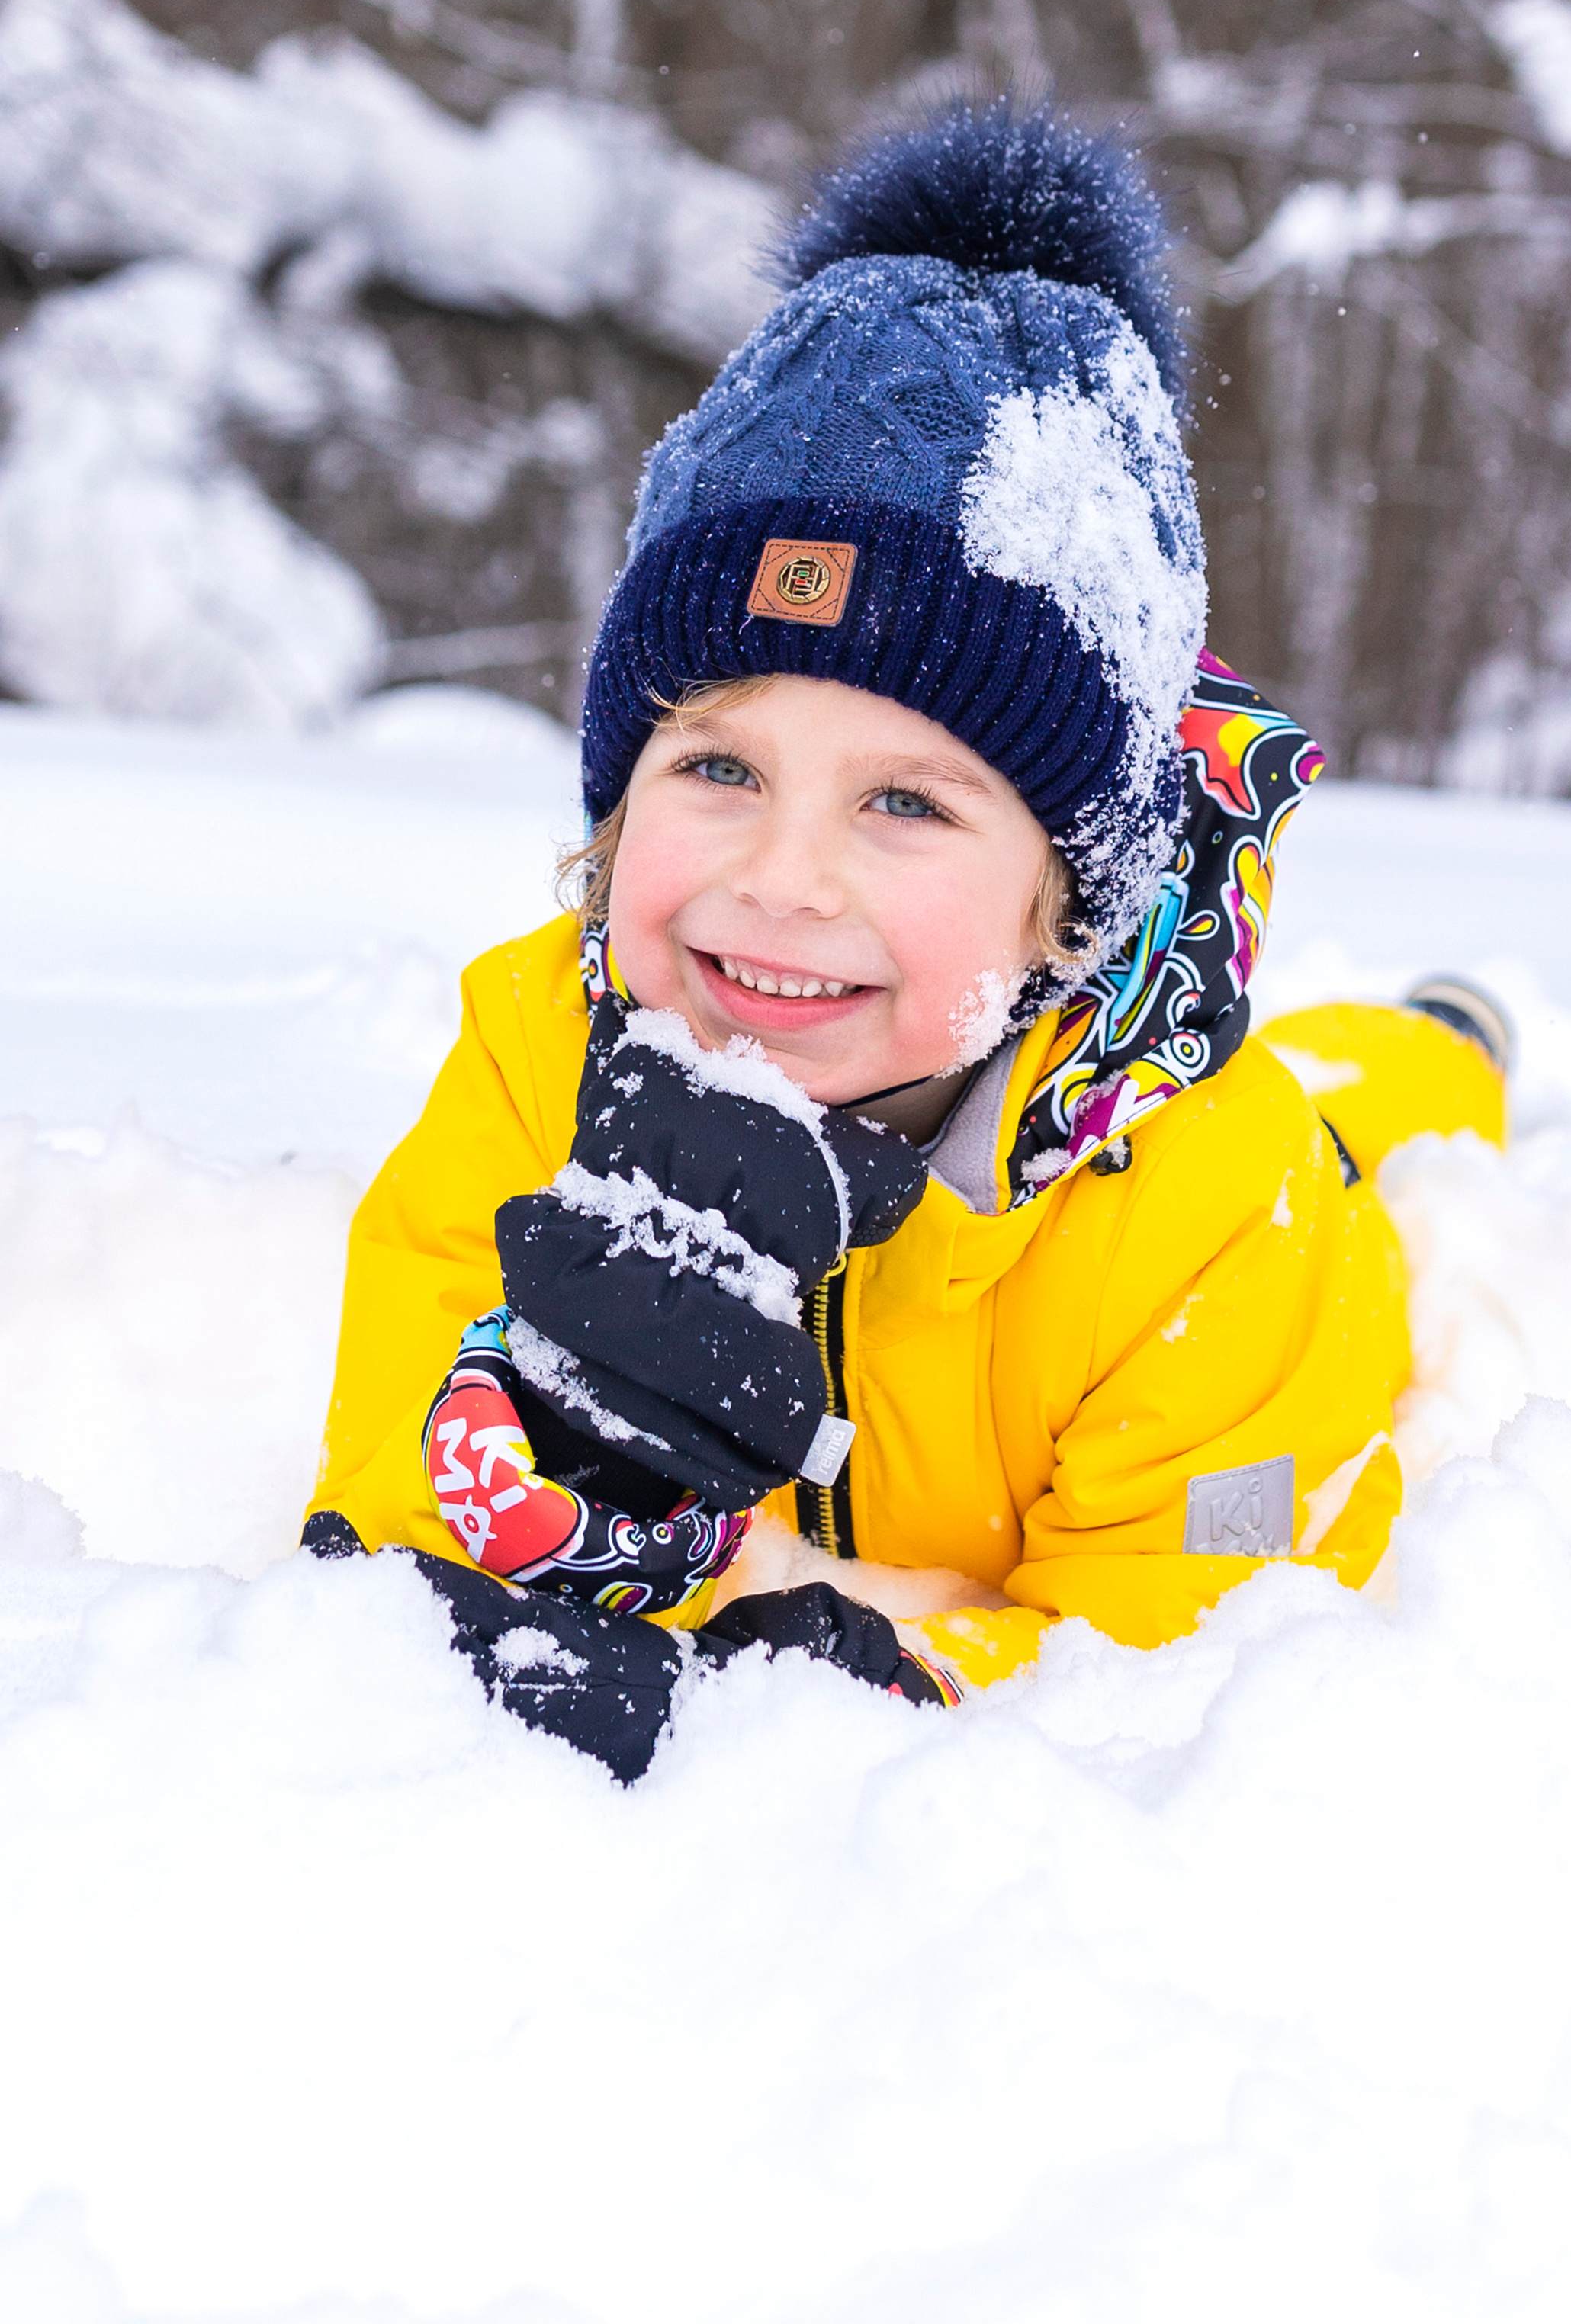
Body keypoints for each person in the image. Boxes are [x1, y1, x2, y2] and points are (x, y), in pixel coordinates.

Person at [303, 101, 1507, 1778]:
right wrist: (556, 1488)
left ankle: (1449, 1036)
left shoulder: (1217, 1222)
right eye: (716, 766)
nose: (783, 881)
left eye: (908, 807)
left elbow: (1197, 1646)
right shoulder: (535, 1059)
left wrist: (870, 1651)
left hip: (1240, 1149)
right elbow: (395, 1465)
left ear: (1064, 898)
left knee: (1359, 1100)